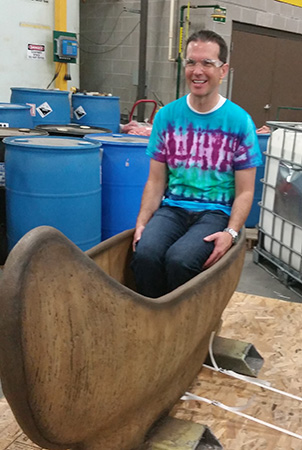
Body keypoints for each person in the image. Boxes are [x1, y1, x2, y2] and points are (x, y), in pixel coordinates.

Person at [131, 29, 262, 298]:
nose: (197, 70)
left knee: (181, 260)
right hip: (173, 208)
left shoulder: (239, 122)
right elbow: (156, 181)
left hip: (216, 213)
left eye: (207, 63)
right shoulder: (167, 117)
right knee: (145, 254)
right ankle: (155, 322)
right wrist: (142, 222)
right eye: (191, 62)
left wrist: (231, 232)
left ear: (223, 70)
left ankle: (184, 327)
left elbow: (246, 191)